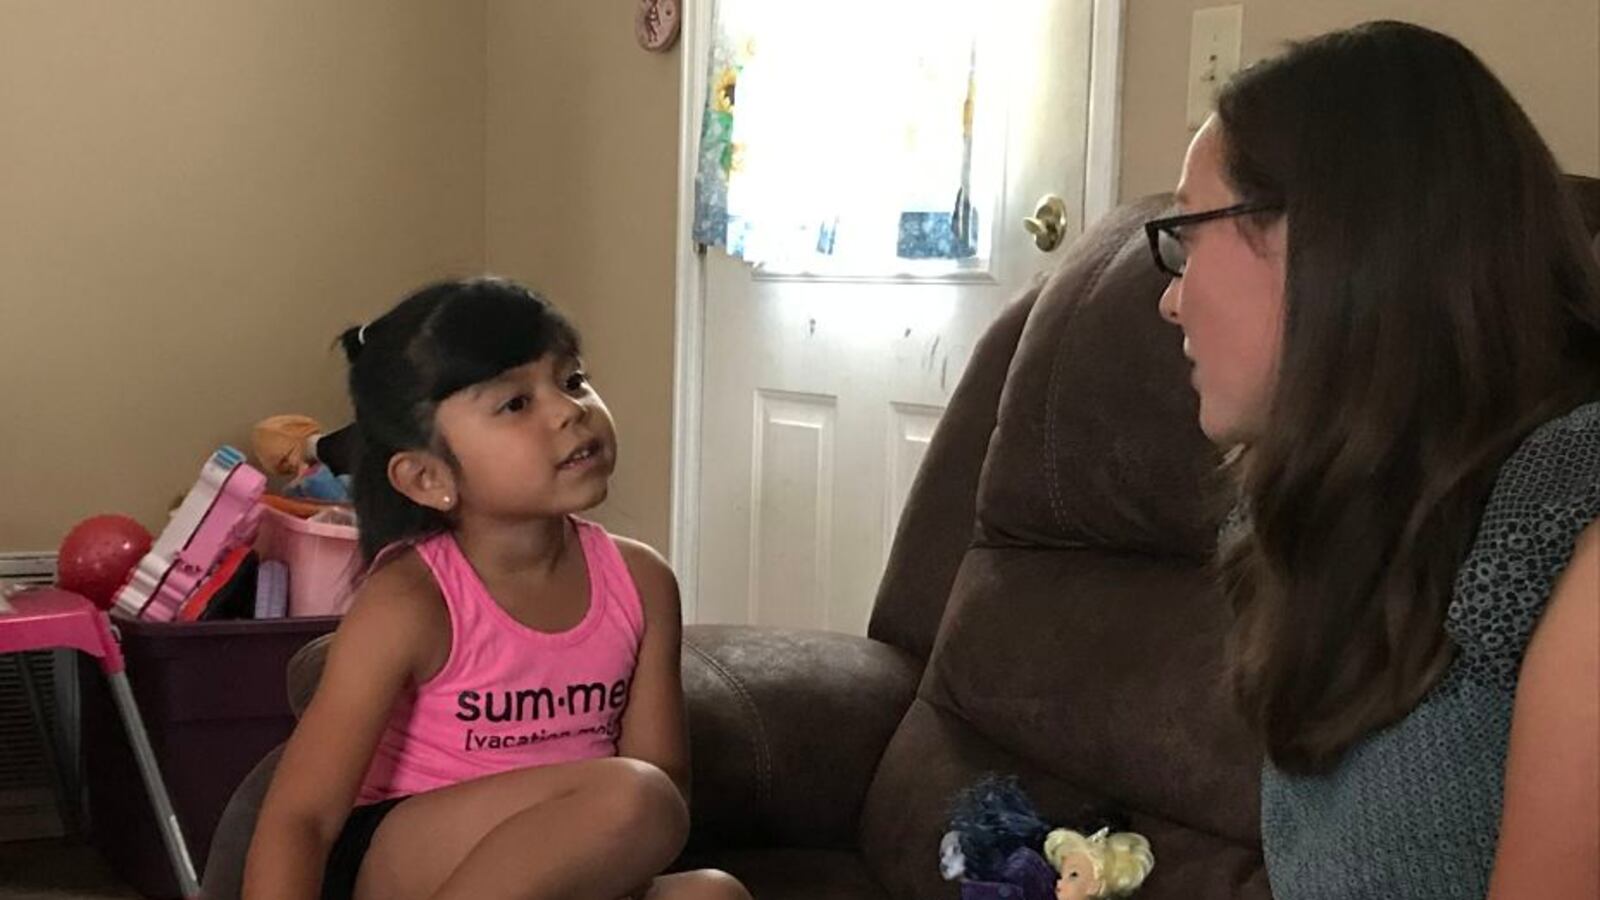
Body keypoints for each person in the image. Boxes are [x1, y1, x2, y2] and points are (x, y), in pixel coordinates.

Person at [1145, 20, 1600, 899]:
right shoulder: (1300, 509)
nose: (1170, 300)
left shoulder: (1566, 511)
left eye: (1185, 234)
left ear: (1327, 237)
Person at [243, 278, 749, 900]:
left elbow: (666, 788)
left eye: (572, 380)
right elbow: (302, 818)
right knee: (632, 796)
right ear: (428, 478)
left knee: (712, 893)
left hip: (562, 865)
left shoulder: (642, 583)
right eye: (515, 404)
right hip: (404, 862)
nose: (570, 411)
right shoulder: (412, 600)